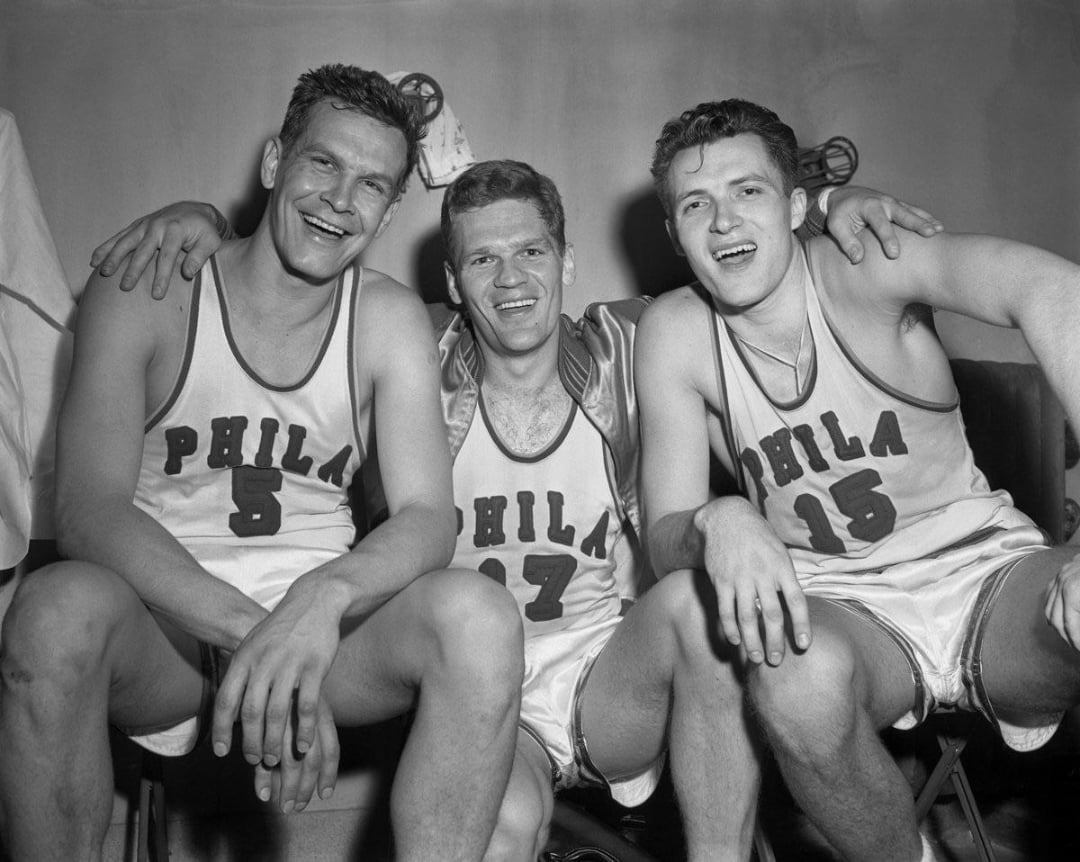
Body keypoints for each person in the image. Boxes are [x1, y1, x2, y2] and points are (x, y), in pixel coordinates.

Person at [87, 152, 941, 860]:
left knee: (695, 602)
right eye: (483, 262)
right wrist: (208, 220)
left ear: (566, 263)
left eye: (531, 253)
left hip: (617, 673)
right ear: (453, 285)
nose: (511, 280)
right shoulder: (408, 351)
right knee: (494, 837)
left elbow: (746, 256)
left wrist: (828, 199)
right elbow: (292, 282)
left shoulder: (637, 345)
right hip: (486, 695)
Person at [0, 64, 525, 861]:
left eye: (372, 185)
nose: (340, 200)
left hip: (327, 639)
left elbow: (427, 519)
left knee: (481, 618)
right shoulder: (149, 286)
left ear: (387, 212)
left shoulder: (383, 318)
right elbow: (86, 511)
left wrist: (320, 600)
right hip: (165, 631)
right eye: (323, 164)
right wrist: (260, 635)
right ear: (276, 162)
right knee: (52, 612)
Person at [636, 96, 1080, 862]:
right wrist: (721, 520)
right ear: (675, 234)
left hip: (985, 574)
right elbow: (664, 533)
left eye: (749, 192)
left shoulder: (860, 263)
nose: (724, 224)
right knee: (786, 675)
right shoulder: (675, 333)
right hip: (847, 605)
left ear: (798, 205)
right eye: (695, 205)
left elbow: (1048, 288)